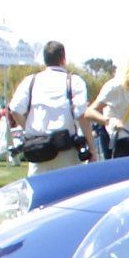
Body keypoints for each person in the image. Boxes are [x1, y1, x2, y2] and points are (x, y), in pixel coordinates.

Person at [7, 41, 89, 174]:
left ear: (45, 59)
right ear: (63, 58)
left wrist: (28, 128)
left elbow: (15, 109)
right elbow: (81, 115)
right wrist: (91, 149)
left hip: (38, 150)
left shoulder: (30, 81)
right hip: (66, 152)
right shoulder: (74, 81)